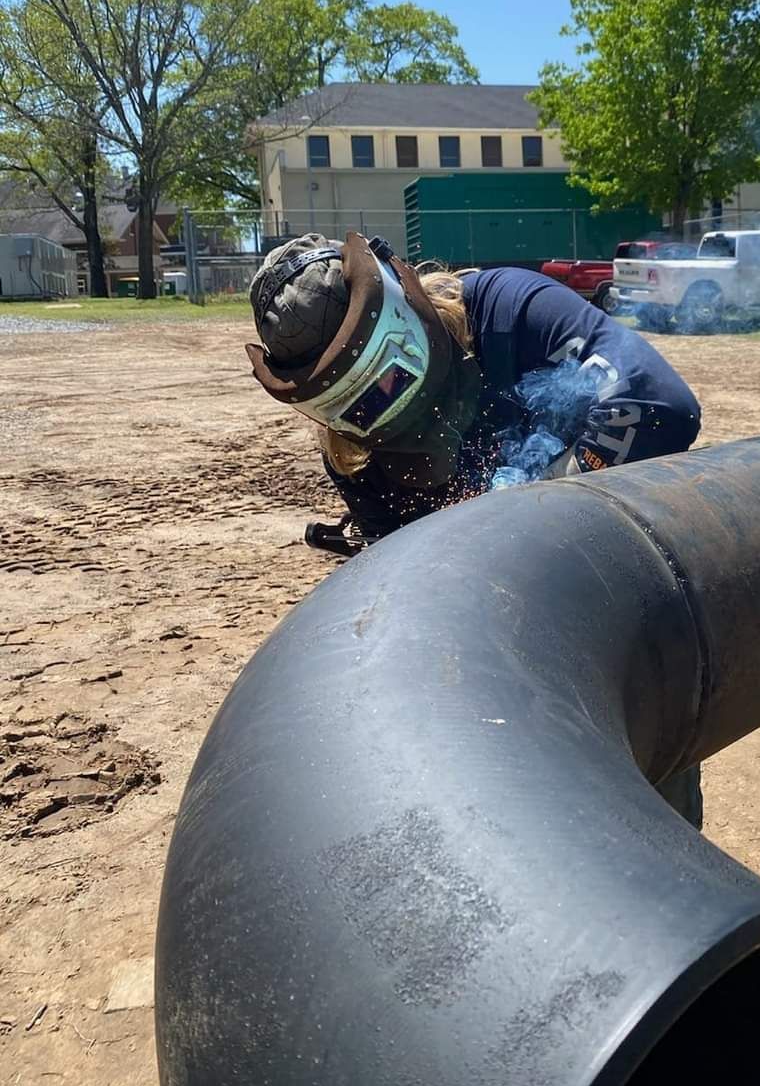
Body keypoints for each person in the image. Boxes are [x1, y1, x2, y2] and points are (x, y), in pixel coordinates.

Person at [246, 230, 704, 826]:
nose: (386, 413)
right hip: (497, 651)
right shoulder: (351, 452)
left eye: (388, 381)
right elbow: (403, 596)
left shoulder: (509, 311)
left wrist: (519, 505)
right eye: (357, 407)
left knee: (651, 825)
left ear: (403, 310)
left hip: (621, 611)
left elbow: (662, 403)